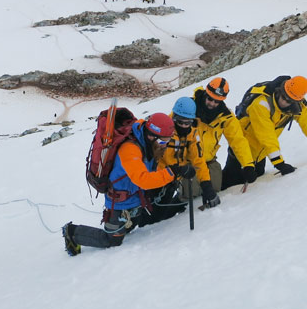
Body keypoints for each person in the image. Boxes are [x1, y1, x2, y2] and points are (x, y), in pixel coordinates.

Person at [63, 113, 177, 255]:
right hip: (119, 202)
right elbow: (143, 180)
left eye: (168, 141)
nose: (164, 145)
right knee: (112, 240)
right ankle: (73, 232)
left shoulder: (148, 143)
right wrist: (172, 173)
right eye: (162, 142)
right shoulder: (130, 149)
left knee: (131, 227)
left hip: (135, 198)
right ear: (151, 135)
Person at [222, 75, 307, 189]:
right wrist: (279, 164)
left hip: (261, 152)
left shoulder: (297, 107)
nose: (284, 101)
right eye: (283, 96)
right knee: (228, 182)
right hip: (241, 149)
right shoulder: (261, 104)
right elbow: (266, 135)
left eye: (289, 100)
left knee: (258, 175)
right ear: (281, 90)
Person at [192, 77, 257, 192]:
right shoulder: (189, 106)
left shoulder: (226, 117)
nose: (212, 103)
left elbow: (238, 140)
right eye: (210, 99)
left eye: (217, 101)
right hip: (189, 161)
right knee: (190, 193)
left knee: (215, 189)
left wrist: (248, 164)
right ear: (206, 93)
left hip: (209, 161)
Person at [158, 97, 221, 210]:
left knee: (162, 213)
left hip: (173, 180)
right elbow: (153, 158)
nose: (183, 126)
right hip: (157, 179)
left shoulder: (192, 135)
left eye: (187, 123)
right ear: (174, 117)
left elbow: (199, 161)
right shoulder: (163, 131)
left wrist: (206, 185)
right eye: (180, 121)